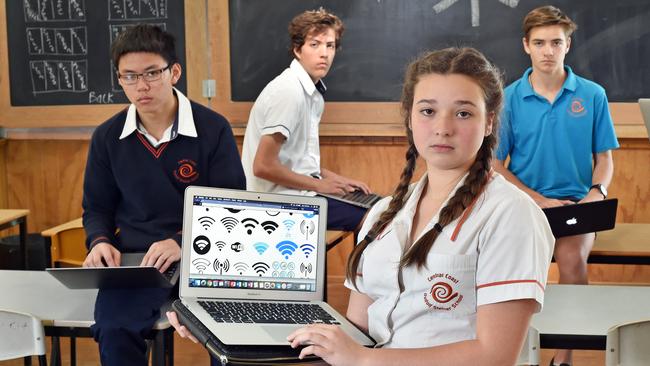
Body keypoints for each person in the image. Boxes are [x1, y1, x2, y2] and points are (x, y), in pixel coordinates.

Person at [170, 47, 555, 365]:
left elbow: (494, 355)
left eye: (463, 112)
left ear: (489, 123)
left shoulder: (511, 215)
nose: (442, 127)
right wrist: (226, 334)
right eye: (427, 110)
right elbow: (357, 331)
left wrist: (363, 360)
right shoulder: (385, 213)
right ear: (408, 117)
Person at [81, 24, 245, 366]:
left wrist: (182, 241)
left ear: (174, 72)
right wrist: (98, 241)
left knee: (231, 330)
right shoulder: (108, 137)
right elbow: (97, 207)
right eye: (129, 76)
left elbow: (230, 206)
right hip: (138, 261)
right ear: (119, 79)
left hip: (207, 254)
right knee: (114, 328)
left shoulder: (212, 128)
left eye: (152, 73)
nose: (141, 86)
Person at [493, 6, 619, 366]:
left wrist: (597, 193)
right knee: (507, 267)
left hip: (576, 206)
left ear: (568, 45)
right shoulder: (509, 98)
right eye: (539, 42)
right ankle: (510, 352)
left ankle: (563, 358)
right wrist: (538, 200)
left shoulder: (593, 94)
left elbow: (605, 158)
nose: (548, 50)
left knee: (571, 260)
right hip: (522, 205)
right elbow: (495, 165)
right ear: (526, 46)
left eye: (556, 42)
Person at [240, 8, 370, 231]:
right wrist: (322, 185)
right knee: (374, 218)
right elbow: (262, 167)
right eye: (315, 44)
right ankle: (356, 268)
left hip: (297, 194)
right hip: (274, 203)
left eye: (330, 46)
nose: (324, 53)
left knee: (374, 206)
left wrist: (336, 179)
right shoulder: (289, 92)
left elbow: (298, 161)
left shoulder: (310, 92)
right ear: (297, 50)